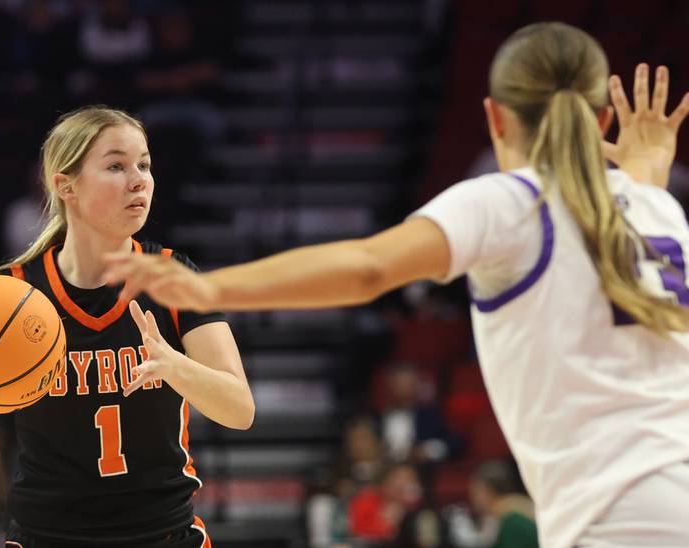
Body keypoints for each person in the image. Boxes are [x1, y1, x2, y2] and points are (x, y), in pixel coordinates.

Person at [103, 23, 689, 548]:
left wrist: (209, 290)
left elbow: (368, 268)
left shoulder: (510, 203)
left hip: (618, 514)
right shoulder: (660, 212)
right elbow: (612, 213)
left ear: (496, 118)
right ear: (604, 120)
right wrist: (649, 170)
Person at [0, 106, 255, 547]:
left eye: (144, 164)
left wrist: (175, 367)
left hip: (162, 534)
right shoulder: (10, 293)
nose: (139, 178)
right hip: (46, 537)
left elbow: (240, 409)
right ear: (65, 185)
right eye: (116, 166)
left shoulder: (173, 279)